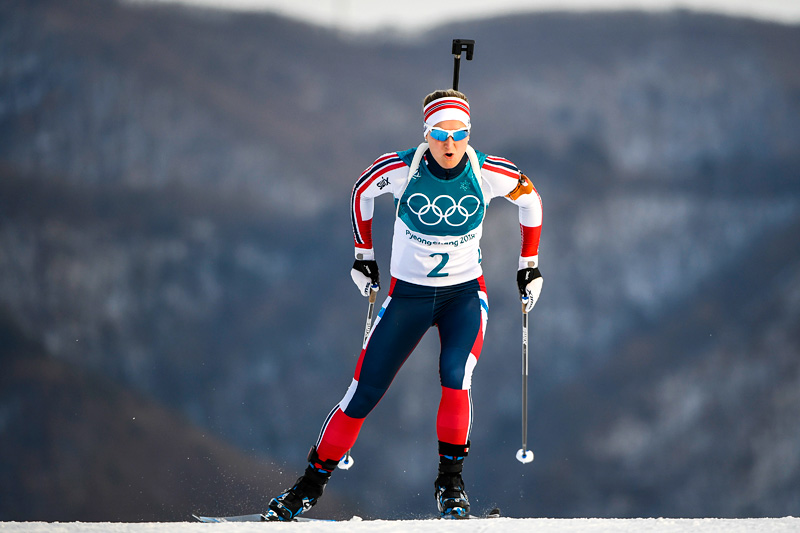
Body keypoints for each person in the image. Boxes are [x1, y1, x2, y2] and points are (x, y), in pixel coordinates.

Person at [264, 89, 543, 520]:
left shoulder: (488, 171)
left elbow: (530, 200)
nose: (449, 143)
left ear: (470, 134)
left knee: (456, 375)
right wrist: (363, 256)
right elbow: (361, 191)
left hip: (464, 296)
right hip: (407, 297)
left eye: (459, 133)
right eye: (439, 132)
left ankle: (450, 485)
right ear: (425, 133)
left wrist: (529, 265)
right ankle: (307, 488)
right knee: (362, 394)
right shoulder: (400, 168)